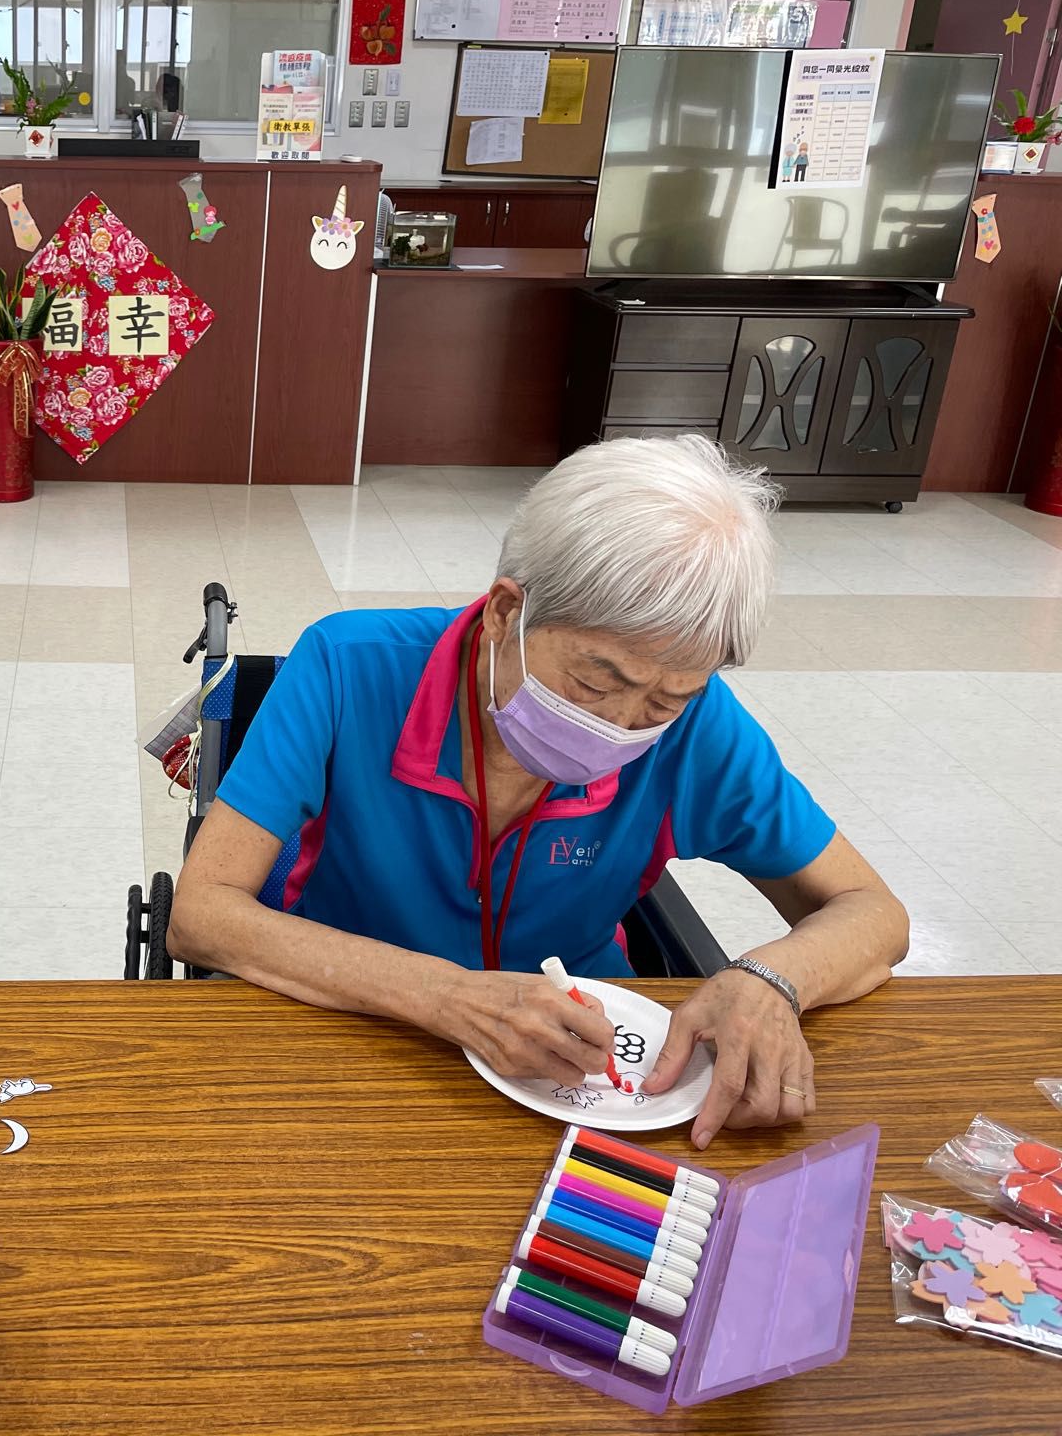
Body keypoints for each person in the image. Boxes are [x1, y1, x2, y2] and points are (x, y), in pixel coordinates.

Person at [168, 436, 907, 1149]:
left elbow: (874, 914)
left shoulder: (700, 726)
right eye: (596, 681)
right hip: (352, 1031)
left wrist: (771, 979)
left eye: (665, 699)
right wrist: (451, 998)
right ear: (504, 612)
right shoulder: (349, 668)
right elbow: (201, 915)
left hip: (579, 1072)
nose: (620, 725)